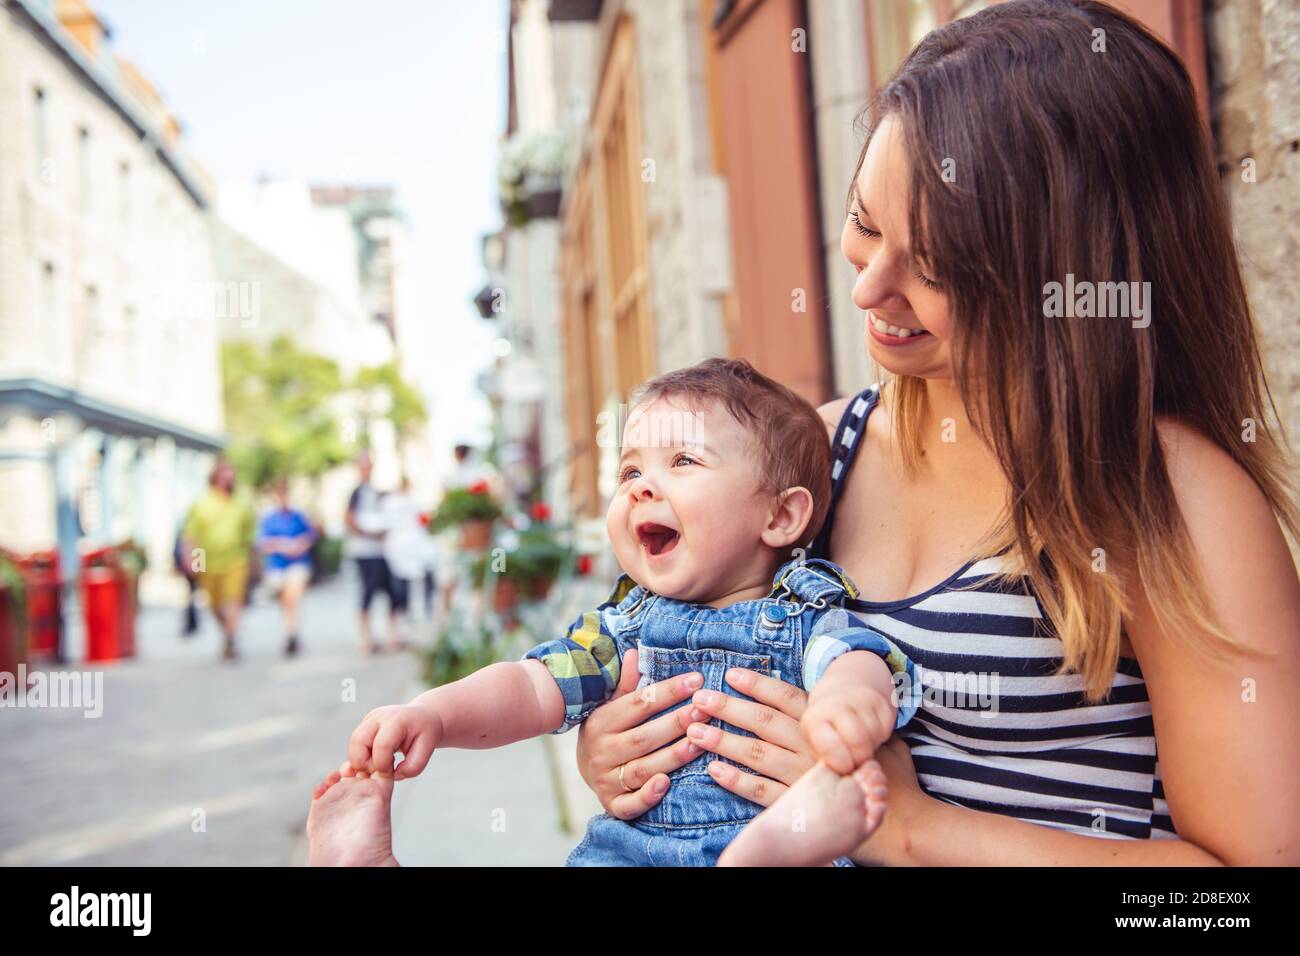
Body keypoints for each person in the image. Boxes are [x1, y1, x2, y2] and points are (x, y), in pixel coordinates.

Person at [567, 0, 1299, 865]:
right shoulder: (814, 456)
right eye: (866, 224)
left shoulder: (1175, 501)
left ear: (1069, 275)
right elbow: (672, 644)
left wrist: (910, 828)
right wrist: (628, 751)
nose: (868, 290)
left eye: (936, 263)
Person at [306, 359, 915, 866]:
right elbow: (529, 686)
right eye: (630, 469)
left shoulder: (803, 610)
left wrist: (846, 704)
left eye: (683, 462)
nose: (641, 487)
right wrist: (434, 714)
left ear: (780, 517)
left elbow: (858, 657)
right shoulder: (622, 629)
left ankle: (765, 855)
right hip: (629, 852)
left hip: (773, 828)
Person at [181, 459, 256, 662]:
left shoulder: (242, 502)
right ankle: (228, 633)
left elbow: (250, 535)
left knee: (233, 601)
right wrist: (193, 563)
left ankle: (231, 638)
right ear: (215, 477)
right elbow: (191, 536)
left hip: (236, 560)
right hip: (207, 562)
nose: (229, 478)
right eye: (225, 473)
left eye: (232, 473)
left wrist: (254, 562)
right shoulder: (202, 503)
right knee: (214, 605)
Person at [344, 452, 400, 654]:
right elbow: (349, 519)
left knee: (391, 593)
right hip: (365, 552)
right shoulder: (356, 493)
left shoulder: (377, 493)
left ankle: (391, 635)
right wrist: (369, 534)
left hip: (381, 552)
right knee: (368, 592)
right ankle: (367, 638)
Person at [255, 477, 317, 657]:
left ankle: (291, 633)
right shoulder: (269, 518)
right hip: (277, 566)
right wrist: (279, 545)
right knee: (286, 601)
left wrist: (300, 545)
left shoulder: (298, 515)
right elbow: (262, 542)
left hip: (297, 564)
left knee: (292, 597)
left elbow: (311, 534)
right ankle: (290, 630)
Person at [379, 476, 426, 641]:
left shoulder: (392, 502)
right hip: (405, 548)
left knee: (401, 588)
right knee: (406, 587)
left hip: (400, 548)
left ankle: (402, 624)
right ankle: (404, 624)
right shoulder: (407, 502)